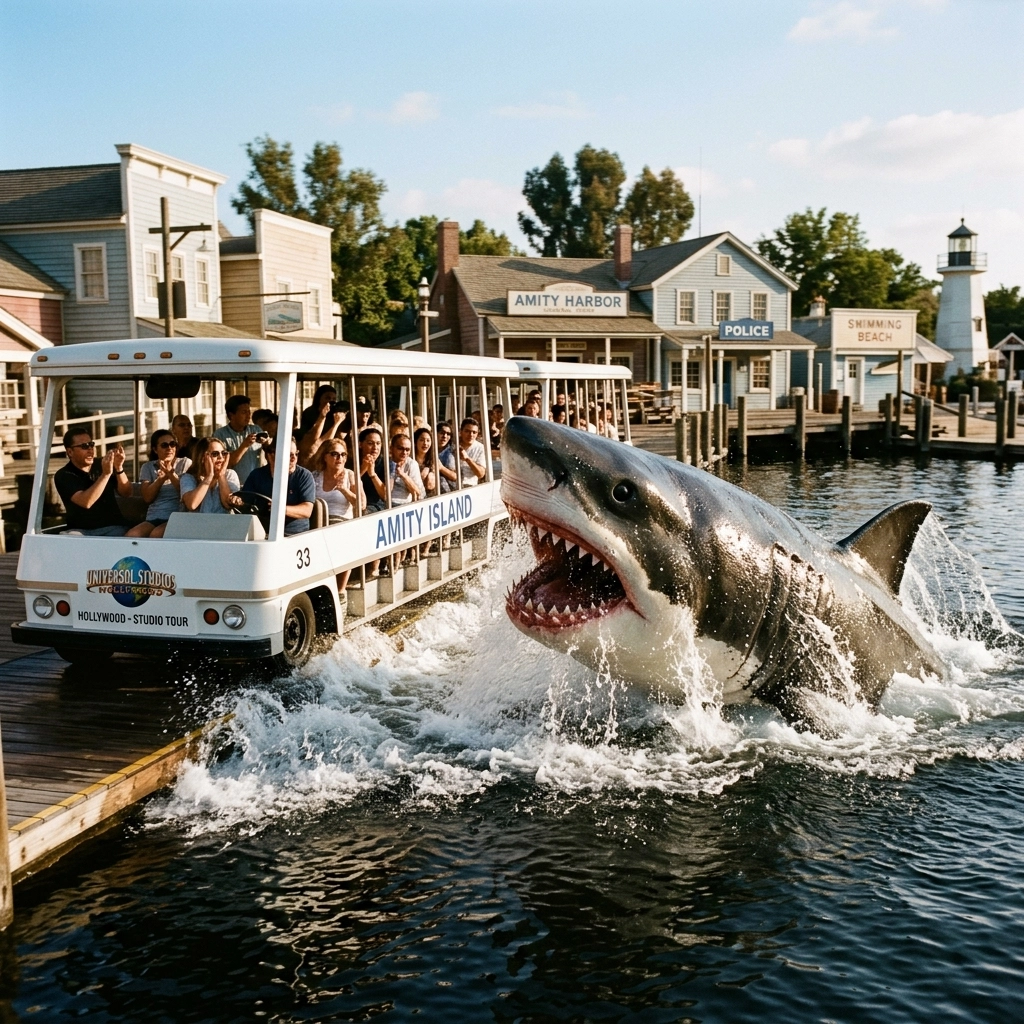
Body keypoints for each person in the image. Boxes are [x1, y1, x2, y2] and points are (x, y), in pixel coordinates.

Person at [55, 429, 132, 536]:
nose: (90, 449)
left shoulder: (103, 464)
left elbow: (127, 493)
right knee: (71, 537)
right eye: (84, 446)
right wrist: (105, 475)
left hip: (113, 527)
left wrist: (119, 468)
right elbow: (86, 502)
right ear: (70, 452)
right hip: (80, 530)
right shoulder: (63, 475)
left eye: (91, 444)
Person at [243, 438, 315, 537]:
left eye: (296, 454)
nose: (294, 458)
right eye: (289, 455)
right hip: (260, 533)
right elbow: (245, 501)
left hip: (294, 535)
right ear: (271, 456)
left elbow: (306, 511)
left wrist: (280, 508)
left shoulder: (304, 476)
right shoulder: (256, 475)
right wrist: (236, 500)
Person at [134, 429, 190, 538]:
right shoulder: (147, 467)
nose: (169, 448)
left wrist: (171, 474)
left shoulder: (185, 463)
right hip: (154, 517)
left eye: (172, 444)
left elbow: (185, 493)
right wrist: (160, 480)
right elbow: (147, 498)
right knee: (132, 535)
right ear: (155, 449)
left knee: (156, 534)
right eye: (164, 445)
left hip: (176, 517)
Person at [180, 437, 243, 514]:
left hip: (223, 521)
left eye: (223, 453)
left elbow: (228, 504)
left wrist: (221, 476)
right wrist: (209, 477)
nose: (220, 457)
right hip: (197, 521)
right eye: (215, 454)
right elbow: (192, 504)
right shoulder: (188, 477)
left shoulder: (230, 474)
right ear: (202, 458)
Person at [214, 395, 265, 484]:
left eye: (249, 412)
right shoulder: (220, 435)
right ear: (231, 415)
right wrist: (244, 446)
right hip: (231, 485)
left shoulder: (256, 430)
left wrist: (267, 444)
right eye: (244, 412)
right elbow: (225, 464)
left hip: (256, 484)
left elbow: (270, 455)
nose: (248, 416)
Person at [312, 438, 361, 523]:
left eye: (343, 454)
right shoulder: (315, 475)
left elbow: (362, 504)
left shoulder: (350, 475)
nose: (340, 458)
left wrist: (344, 490)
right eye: (334, 454)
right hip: (318, 522)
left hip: (342, 522)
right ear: (325, 457)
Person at [440, 418, 486, 487]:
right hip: (449, 483)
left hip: (469, 485)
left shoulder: (480, 447)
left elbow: (481, 474)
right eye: (467, 431)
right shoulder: (452, 444)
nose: (471, 435)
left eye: (474, 432)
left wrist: (467, 459)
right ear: (461, 432)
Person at [358, 427, 388, 513]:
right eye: (370, 443)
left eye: (378, 443)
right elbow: (348, 486)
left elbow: (385, 495)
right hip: (355, 503)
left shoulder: (386, 463)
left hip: (376, 506)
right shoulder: (352, 461)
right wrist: (362, 470)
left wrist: (372, 474)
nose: (375, 447)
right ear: (360, 444)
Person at [389, 432, 424, 505]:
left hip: (404, 504)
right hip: (384, 503)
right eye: (400, 448)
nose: (404, 452)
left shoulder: (411, 464)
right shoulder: (385, 462)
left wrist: (403, 475)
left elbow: (418, 492)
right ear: (391, 448)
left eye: (407, 449)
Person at [413, 427, 437, 495]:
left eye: (428, 440)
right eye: (422, 440)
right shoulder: (410, 459)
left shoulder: (433, 459)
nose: (425, 443)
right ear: (415, 442)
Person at [435, 422, 456, 492]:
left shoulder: (452, 451)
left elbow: (455, 476)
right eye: (442, 433)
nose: (445, 436)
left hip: (450, 490)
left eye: (448, 434)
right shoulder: (428, 449)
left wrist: (441, 468)